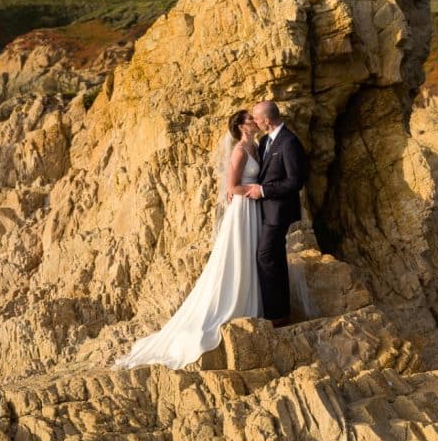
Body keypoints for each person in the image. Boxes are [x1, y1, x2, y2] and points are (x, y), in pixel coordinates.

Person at [114, 109, 262, 370]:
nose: (255, 121)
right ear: (240, 126)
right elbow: (232, 188)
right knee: (238, 256)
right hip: (242, 209)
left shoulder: (256, 147)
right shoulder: (239, 150)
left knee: (252, 256)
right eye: (250, 119)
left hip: (253, 209)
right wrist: (254, 190)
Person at [243, 100, 307, 327]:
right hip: (265, 211)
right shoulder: (263, 142)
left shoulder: (289, 142)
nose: (255, 123)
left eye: (257, 119)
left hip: (279, 211)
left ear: (266, 120)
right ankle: (282, 312)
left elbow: (295, 181)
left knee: (265, 256)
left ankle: (274, 315)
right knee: (276, 258)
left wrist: (263, 190)